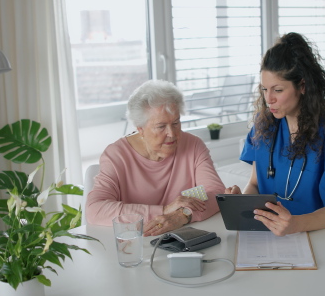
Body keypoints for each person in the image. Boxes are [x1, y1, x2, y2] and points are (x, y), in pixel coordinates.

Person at [225, 32, 325, 236]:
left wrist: (295, 224)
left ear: (302, 86)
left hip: (324, 236)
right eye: (264, 89)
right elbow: (255, 184)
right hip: (274, 234)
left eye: (277, 90)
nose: (269, 99)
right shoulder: (263, 127)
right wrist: (242, 203)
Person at [86, 80, 226, 237]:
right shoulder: (116, 155)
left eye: (176, 123)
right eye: (161, 126)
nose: (172, 133)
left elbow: (217, 193)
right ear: (141, 129)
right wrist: (164, 211)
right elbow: (95, 209)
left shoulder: (193, 145)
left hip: (183, 238)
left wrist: (182, 215)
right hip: (138, 242)